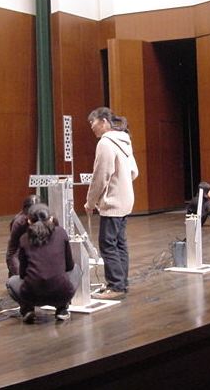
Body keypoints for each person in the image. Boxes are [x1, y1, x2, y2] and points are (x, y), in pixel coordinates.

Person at [85, 107, 138, 300]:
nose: (91, 126)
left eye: (93, 122)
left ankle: (116, 286)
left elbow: (100, 176)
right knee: (119, 243)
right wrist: (122, 183)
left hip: (113, 201)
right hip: (126, 198)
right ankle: (121, 283)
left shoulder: (105, 143)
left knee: (107, 245)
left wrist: (90, 202)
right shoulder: (124, 140)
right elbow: (134, 172)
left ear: (104, 121)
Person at [6, 203, 75, 323]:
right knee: (76, 270)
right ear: (51, 219)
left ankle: (27, 309)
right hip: (61, 293)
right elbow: (70, 265)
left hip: (32, 295)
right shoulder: (61, 233)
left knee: (11, 282)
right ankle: (62, 309)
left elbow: (22, 274)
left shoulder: (24, 239)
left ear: (29, 221)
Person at [6, 194, 42, 277]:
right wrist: (18, 275)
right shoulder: (19, 223)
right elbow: (12, 252)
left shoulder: (46, 220)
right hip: (22, 257)